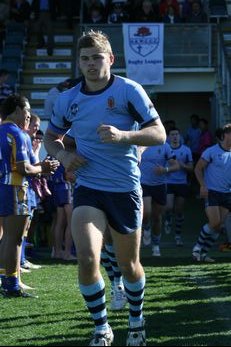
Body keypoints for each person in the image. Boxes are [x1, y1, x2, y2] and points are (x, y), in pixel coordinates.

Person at [44, 30, 166, 346]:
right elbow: (50, 137)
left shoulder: (129, 91)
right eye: (84, 58)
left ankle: (136, 323)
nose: (91, 64)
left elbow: (159, 134)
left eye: (97, 57)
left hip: (125, 188)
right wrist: (63, 153)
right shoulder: (68, 99)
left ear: (110, 59)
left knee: (129, 266)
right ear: (79, 62)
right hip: (88, 188)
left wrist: (125, 136)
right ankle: (102, 328)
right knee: (86, 257)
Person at [0, 94, 59, 298]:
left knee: (6, 236)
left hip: (2, 187)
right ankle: (11, 284)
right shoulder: (18, 133)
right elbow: (23, 168)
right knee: (14, 238)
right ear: (16, 110)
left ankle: (7, 280)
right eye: (26, 110)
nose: (28, 115)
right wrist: (43, 167)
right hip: (15, 188)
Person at [192, 123, 231, 262]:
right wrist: (203, 186)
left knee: (219, 226)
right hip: (212, 192)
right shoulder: (211, 151)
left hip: (227, 194)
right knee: (214, 222)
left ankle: (203, 254)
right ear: (224, 135)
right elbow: (197, 169)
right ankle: (197, 247)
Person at [139, 142, 179, 256]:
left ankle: (156, 245)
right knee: (146, 213)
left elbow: (176, 165)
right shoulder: (139, 143)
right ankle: (146, 227)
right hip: (142, 183)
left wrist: (165, 169)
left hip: (159, 185)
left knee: (157, 217)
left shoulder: (165, 146)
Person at [164, 127, 194, 246]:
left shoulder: (186, 150)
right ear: (168, 137)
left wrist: (182, 165)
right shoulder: (165, 149)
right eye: (172, 134)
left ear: (179, 136)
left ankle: (177, 235)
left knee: (179, 210)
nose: (175, 136)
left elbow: (191, 168)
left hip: (181, 183)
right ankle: (167, 219)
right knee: (169, 207)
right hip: (168, 182)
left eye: (176, 134)